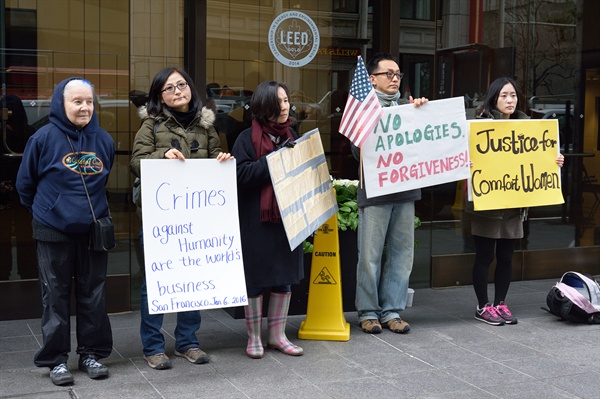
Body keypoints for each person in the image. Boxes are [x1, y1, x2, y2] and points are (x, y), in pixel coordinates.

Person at [129, 66, 233, 370]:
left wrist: (222, 161)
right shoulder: (151, 125)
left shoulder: (207, 126)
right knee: (155, 284)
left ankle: (187, 342)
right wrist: (161, 157)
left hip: (196, 220)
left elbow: (216, 162)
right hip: (159, 222)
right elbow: (135, 162)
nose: (177, 91)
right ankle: (153, 347)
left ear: (191, 89)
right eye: (169, 88)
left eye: (182, 85)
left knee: (193, 280)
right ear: (159, 96)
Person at [16, 78, 114, 385]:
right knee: (55, 297)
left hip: (92, 231)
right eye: (77, 102)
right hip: (52, 231)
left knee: (93, 295)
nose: (85, 107)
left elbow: (103, 177)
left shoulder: (104, 140)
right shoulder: (43, 138)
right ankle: (56, 360)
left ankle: (90, 354)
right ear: (62, 103)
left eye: (89, 101)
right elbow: (25, 185)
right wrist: (47, 212)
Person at [470, 77, 564, 325]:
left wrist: (554, 161)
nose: (510, 100)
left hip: (514, 203)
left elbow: (539, 156)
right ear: (493, 98)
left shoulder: (528, 127)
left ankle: (500, 303)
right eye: (504, 96)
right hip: (488, 204)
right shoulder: (479, 126)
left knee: (507, 256)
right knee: (484, 256)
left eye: (513, 95)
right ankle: (483, 306)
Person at [351, 53, 428, 334]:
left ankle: (391, 311)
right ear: (372, 79)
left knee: (401, 254)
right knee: (369, 256)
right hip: (375, 194)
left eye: (398, 74)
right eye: (388, 74)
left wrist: (421, 114)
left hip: (405, 192)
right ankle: (368, 311)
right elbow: (356, 151)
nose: (395, 78)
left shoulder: (409, 109)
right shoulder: (363, 110)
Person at [231, 80, 304, 359]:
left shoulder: (292, 134)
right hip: (256, 221)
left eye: (286, 101)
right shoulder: (245, 138)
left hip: (287, 218)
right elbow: (240, 176)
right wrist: (277, 161)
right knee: (255, 280)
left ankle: (277, 336)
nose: (285, 107)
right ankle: (254, 338)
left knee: (284, 279)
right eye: (279, 102)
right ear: (264, 106)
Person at [1, 94, 37, 280]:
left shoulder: (28, 133)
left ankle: (20, 272)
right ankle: (26, 272)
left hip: (16, 187)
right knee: (22, 234)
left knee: (17, 234)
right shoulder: (29, 131)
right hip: (19, 187)